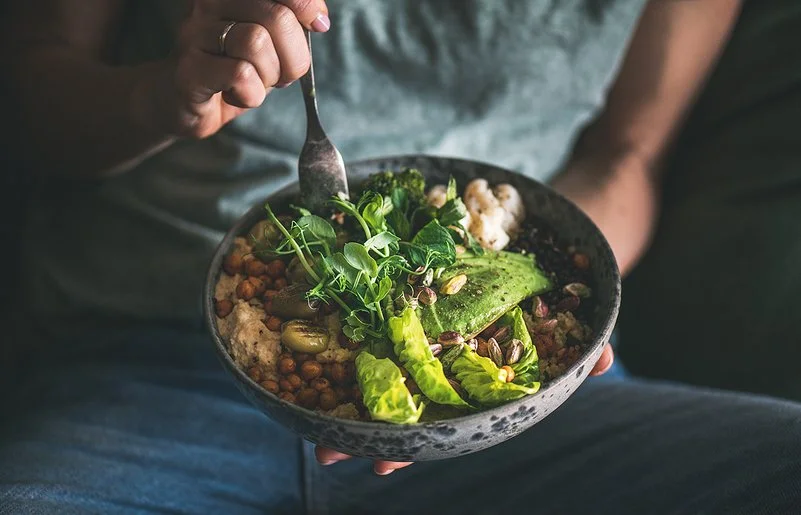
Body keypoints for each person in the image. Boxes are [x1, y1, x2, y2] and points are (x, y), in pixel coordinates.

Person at [2, 0, 800, 513]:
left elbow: (629, 153)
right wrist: (164, 95)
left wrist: (551, 317)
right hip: (145, 368)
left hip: (518, 418)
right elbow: (33, 102)